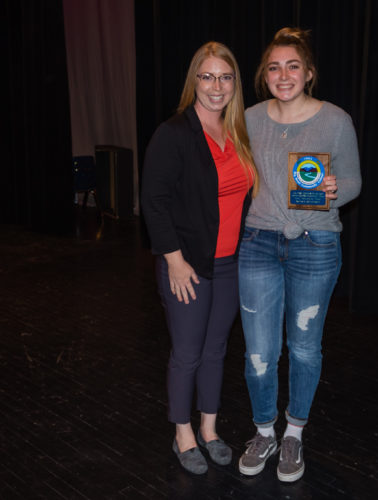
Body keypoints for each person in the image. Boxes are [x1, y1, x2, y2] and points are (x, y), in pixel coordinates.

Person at [238, 27, 361, 482]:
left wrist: (333, 190)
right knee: (258, 353)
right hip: (259, 245)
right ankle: (264, 431)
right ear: (263, 75)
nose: (283, 74)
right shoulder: (248, 118)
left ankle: (294, 433)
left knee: (305, 348)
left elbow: (352, 182)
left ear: (309, 73)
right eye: (273, 67)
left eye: (293, 66)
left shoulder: (335, 120)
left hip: (316, 243)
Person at [141, 41, 256, 475]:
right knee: (187, 353)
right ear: (194, 81)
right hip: (186, 265)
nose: (216, 86)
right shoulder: (174, 134)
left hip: (229, 263)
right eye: (207, 76)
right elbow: (154, 201)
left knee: (215, 350)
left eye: (225, 77)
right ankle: (182, 433)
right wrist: (173, 260)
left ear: (234, 84)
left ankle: (209, 429)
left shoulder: (238, 132)